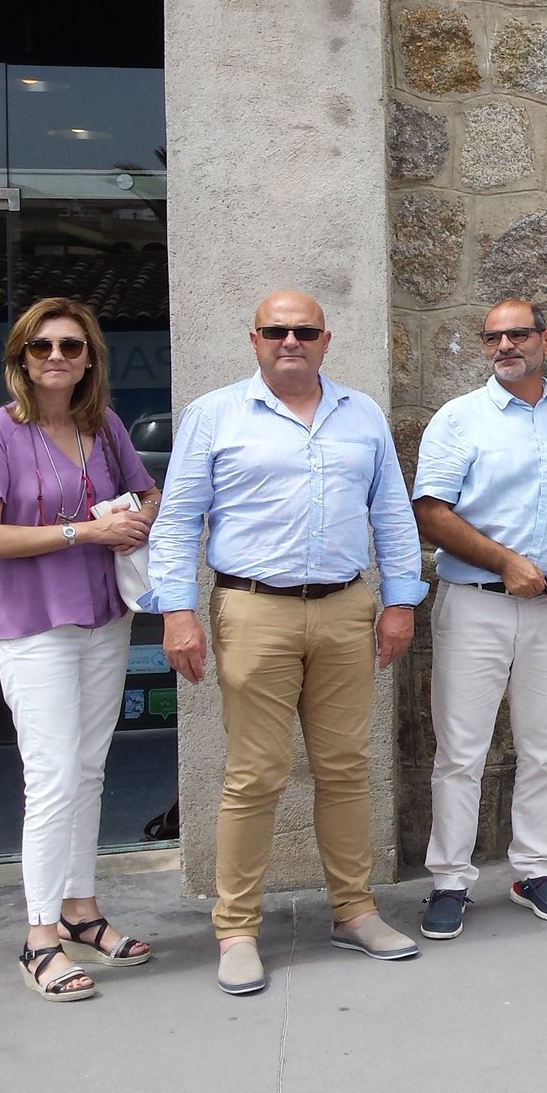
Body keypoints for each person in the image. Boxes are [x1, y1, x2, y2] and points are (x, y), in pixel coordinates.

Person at [146, 291, 428, 994]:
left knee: (344, 767)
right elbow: (178, 521)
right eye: (278, 331)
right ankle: (237, 927)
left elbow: (391, 513)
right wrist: (176, 611)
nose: (291, 341)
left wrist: (400, 602)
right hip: (253, 611)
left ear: (326, 340)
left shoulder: (360, 413)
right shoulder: (213, 415)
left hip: (344, 608)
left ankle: (354, 911)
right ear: (255, 340)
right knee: (254, 774)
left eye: (305, 331)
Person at [0, 298, 160, 1002]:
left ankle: (81, 911)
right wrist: (83, 534)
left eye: (71, 347)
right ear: (19, 357)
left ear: (88, 359)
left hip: (102, 618)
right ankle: (38, 935)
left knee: (89, 769)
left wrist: (131, 520)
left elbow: (147, 492)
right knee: (51, 777)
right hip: (34, 626)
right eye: (41, 346)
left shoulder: (100, 427)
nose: (56, 357)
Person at [410, 299, 547, 939]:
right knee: (461, 752)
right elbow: (431, 511)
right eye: (492, 337)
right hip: (475, 605)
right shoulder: (459, 418)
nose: (503, 346)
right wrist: (506, 563)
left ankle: (534, 870)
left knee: (544, 748)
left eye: (516, 334)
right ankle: (449, 880)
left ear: (546, 340)